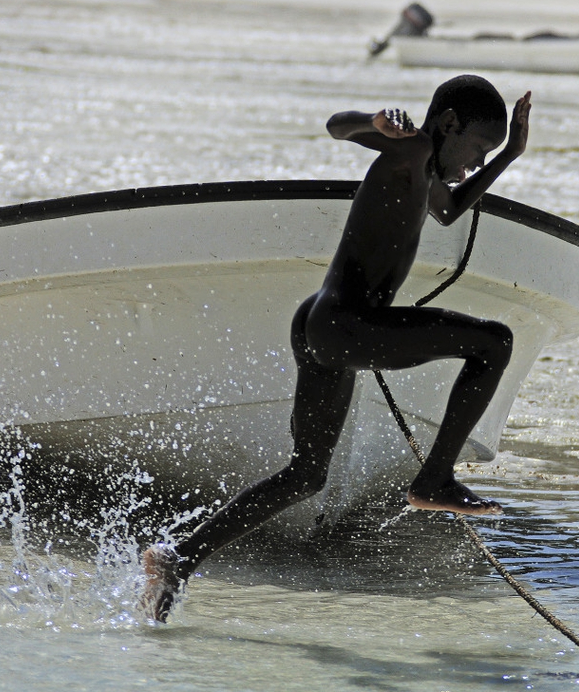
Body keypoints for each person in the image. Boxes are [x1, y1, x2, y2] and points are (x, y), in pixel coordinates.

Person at [141, 75, 531, 622]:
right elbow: (336, 128)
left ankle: (178, 557)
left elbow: (449, 209)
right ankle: (434, 479)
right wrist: (369, 122)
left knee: (306, 475)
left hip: (322, 326)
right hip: (351, 325)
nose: (472, 164)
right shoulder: (413, 146)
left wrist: (509, 154)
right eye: (476, 149)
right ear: (447, 126)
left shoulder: (424, 167)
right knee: (495, 343)